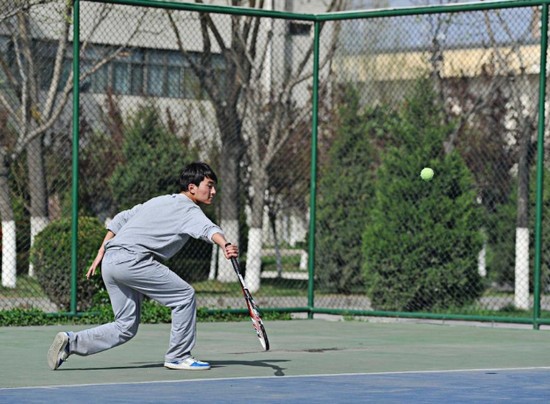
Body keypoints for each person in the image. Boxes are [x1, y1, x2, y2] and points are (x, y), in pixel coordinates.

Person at [47, 162, 238, 371]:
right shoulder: (189, 210)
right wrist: (225, 244)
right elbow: (208, 229)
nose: (213, 191)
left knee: (125, 326)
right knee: (184, 295)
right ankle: (178, 356)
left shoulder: (158, 201)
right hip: (131, 261)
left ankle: (70, 342)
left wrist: (102, 250)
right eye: (209, 185)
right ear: (192, 187)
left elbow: (121, 218)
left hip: (110, 262)